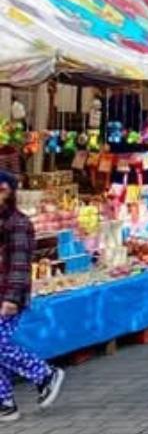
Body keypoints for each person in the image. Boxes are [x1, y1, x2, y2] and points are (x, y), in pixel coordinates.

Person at [0, 171, 64, 421]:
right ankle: (5, 402)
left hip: (8, 294)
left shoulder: (18, 223)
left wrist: (12, 298)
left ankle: (44, 374)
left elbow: (19, 264)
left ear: (11, 193)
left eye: (3, 190)